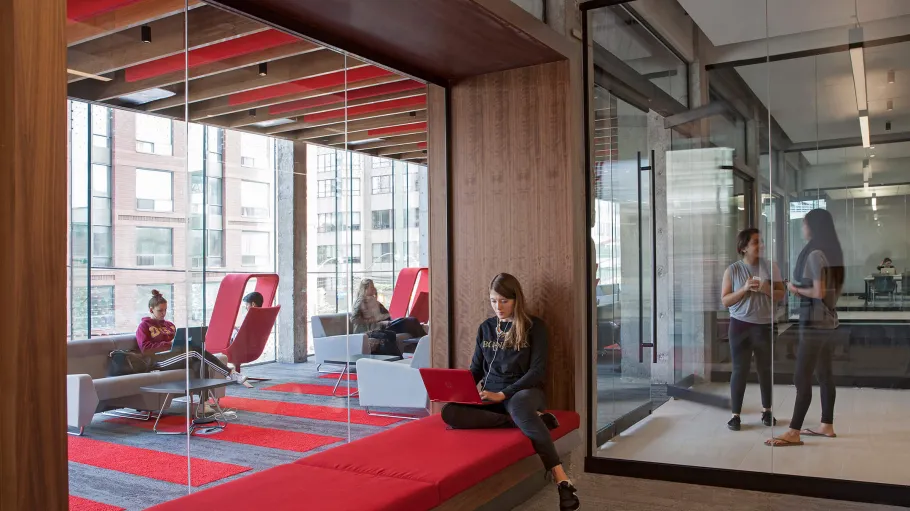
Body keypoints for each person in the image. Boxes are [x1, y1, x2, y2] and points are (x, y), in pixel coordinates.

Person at [439, 273, 580, 511]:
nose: (498, 307)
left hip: (524, 392)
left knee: (521, 406)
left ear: (516, 300)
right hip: (490, 396)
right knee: (449, 413)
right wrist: (456, 390)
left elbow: (537, 371)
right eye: (494, 301)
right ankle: (528, 421)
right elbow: (476, 370)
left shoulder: (535, 327)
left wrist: (504, 394)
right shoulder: (486, 328)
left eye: (504, 301)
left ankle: (561, 479)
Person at [766, 209, 844, 447]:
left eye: (804, 224)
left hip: (814, 323)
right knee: (824, 374)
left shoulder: (814, 255)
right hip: (829, 322)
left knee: (802, 376)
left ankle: (793, 431)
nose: (802, 228)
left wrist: (794, 289)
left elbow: (818, 292)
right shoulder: (832, 253)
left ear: (813, 227)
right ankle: (826, 425)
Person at [721, 228, 785, 431]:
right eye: (756, 242)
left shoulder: (771, 266)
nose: (761, 245)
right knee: (740, 370)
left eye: (762, 241)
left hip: (765, 325)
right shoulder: (732, 270)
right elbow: (725, 300)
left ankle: (767, 411)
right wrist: (745, 289)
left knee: (765, 370)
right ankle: (735, 415)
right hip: (739, 326)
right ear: (743, 247)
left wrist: (765, 288)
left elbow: (781, 294)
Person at [137, 290, 252, 388]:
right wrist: (169, 344)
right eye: (160, 310)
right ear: (151, 310)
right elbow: (145, 349)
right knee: (196, 352)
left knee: (200, 362)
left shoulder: (169, 325)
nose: (163, 313)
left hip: (177, 356)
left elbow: (178, 343)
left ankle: (204, 403)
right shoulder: (144, 326)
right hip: (159, 361)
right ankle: (231, 373)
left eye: (165, 310)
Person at [351, 279, 425, 356]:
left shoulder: (373, 301)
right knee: (396, 331)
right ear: (365, 289)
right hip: (369, 330)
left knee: (412, 321)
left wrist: (385, 320)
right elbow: (354, 319)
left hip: (384, 326)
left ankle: (425, 345)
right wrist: (375, 321)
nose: (374, 289)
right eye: (371, 287)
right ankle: (400, 357)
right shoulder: (360, 302)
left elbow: (386, 315)